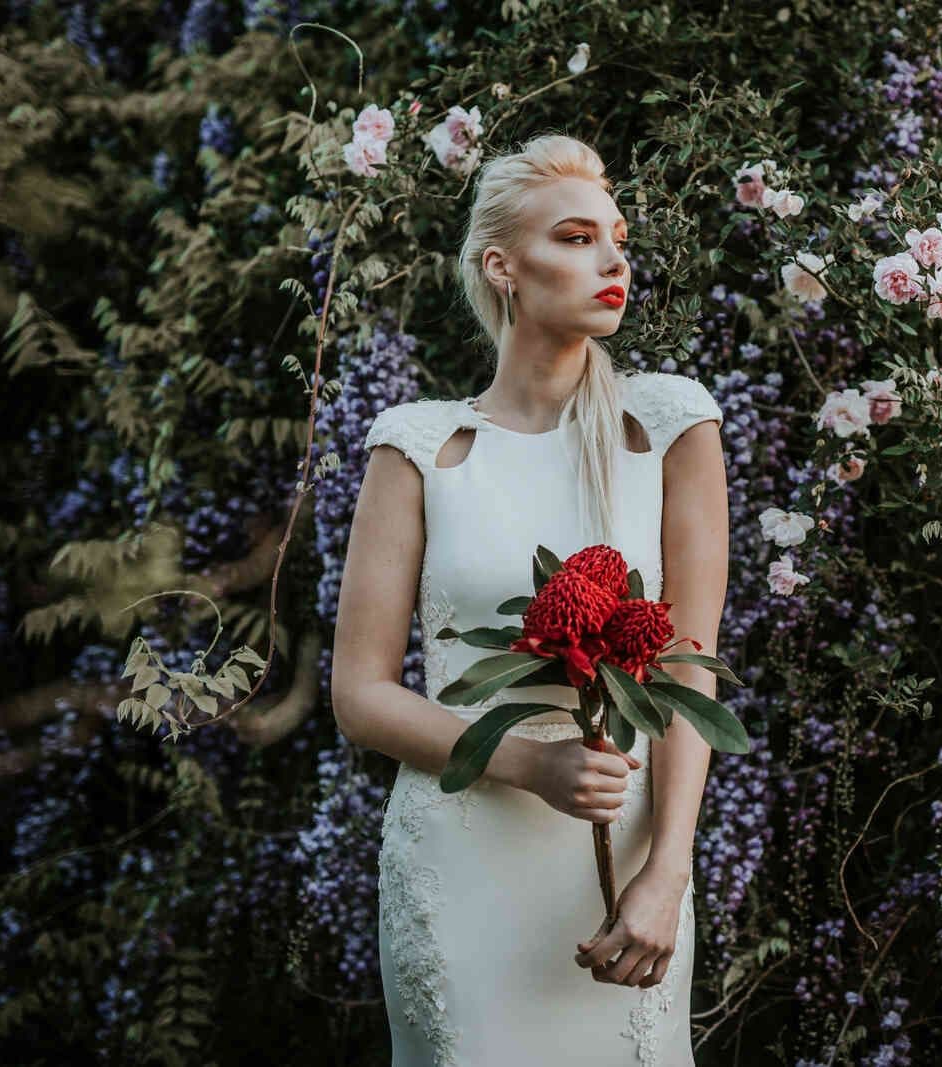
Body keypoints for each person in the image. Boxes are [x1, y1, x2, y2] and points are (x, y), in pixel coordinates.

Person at [332, 132, 730, 1066]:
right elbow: (361, 694)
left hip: (621, 863)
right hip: (460, 858)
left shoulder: (670, 426)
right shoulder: (419, 448)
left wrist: (667, 871)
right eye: (577, 237)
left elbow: (688, 670)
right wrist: (530, 764)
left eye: (617, 237)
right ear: (501, 266)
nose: (612, 258)